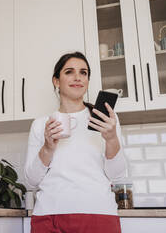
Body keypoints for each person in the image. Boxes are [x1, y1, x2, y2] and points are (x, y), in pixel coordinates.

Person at [24, 51, 127, 233]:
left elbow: (117, 174)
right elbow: (31, 181)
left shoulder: (105, 120)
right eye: (69, 72)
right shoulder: (41, 125)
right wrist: (48, 147)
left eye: (84, 72)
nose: (78, 77)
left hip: (99, 215)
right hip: (50, 216)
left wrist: (111, 138)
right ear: (56, 81)